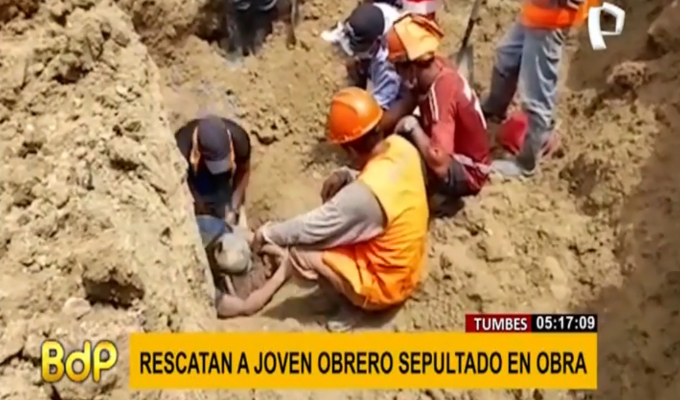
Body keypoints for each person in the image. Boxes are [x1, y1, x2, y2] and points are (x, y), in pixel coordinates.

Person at [215, 87, 429, 331]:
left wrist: (268, 233)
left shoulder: (364, 197)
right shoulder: (400, 146)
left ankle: (356, 307)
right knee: (334, 219)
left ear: (349, 148)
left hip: (387, 284)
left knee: (301, 253)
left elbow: (311, 228)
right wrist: (349, 175)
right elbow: (392, 182)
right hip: (407, 262)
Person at [482, 0, 598, 177]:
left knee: (535, 95)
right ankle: (494, 107)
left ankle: (526, 162)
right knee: (506, 56)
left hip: (550, 19)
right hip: (537, 9)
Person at [385, 14, 491, 202]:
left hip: (468, 172)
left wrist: (412, 127)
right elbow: (404, 106)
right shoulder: (435, 68)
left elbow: (439, 161)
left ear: (411, 68)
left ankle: (435, 195)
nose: (397, 74)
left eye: (397, 67)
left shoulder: (442, 91)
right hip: (460, 150)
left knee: (406, 148)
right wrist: (377, 128)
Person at [174, 115, 251, 225]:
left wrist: (234, 208)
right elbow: (180, 186)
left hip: (224, 184)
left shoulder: (239, 139)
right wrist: (197, 204)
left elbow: (243, 170)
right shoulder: (181, 147)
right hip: (196, 181)